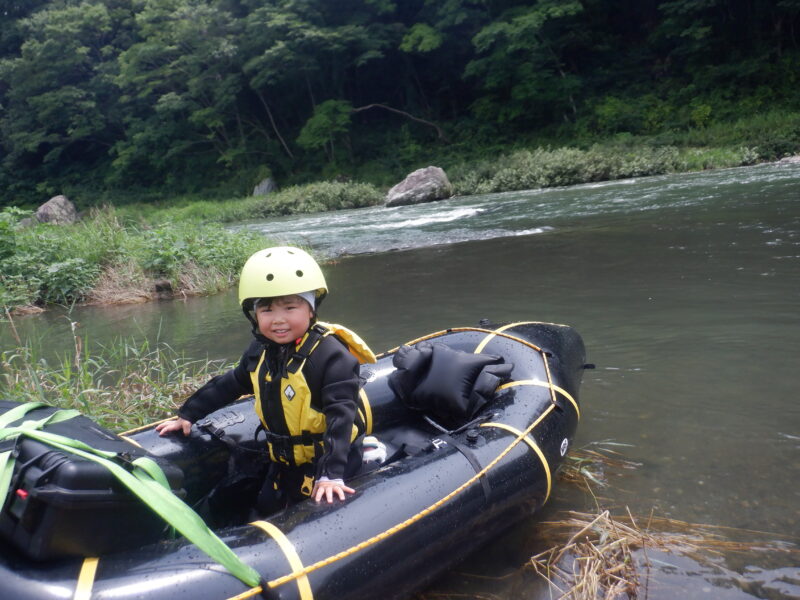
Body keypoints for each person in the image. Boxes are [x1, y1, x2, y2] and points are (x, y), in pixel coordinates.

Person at [156, 246, 376, 509]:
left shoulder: (332, 357)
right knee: (265, 505)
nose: (278, 320)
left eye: (290, 307)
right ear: (254, 315)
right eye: (267, 310)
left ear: (311, 310)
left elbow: (341, 418)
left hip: (330, 460)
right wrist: (189, 413)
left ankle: (368, 459)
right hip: (284, 460)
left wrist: (331, 474)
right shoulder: (261, 350)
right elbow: (231, 383)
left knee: (308, 508)